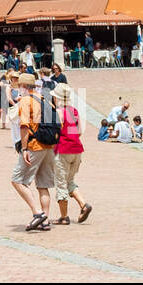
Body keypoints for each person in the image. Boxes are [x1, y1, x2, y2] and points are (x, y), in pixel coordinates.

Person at [11, 72, 57, 231]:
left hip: (35, 145)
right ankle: (45, 221)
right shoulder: (45, 100)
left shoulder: (25, 101)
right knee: (43, 185)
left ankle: (38, 214)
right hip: (49, 147)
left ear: (23, 87)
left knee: (17, 180)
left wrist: (24, 148)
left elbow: (24, 126)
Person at [50, 84, 92, 225]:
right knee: (70, 181)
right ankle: (83, 205)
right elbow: (79, 131)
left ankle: (64, 217)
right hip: (77, 149)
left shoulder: (58, 112)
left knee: (61, 184)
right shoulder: (74, 111)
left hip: (63, 149)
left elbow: (55, 134)